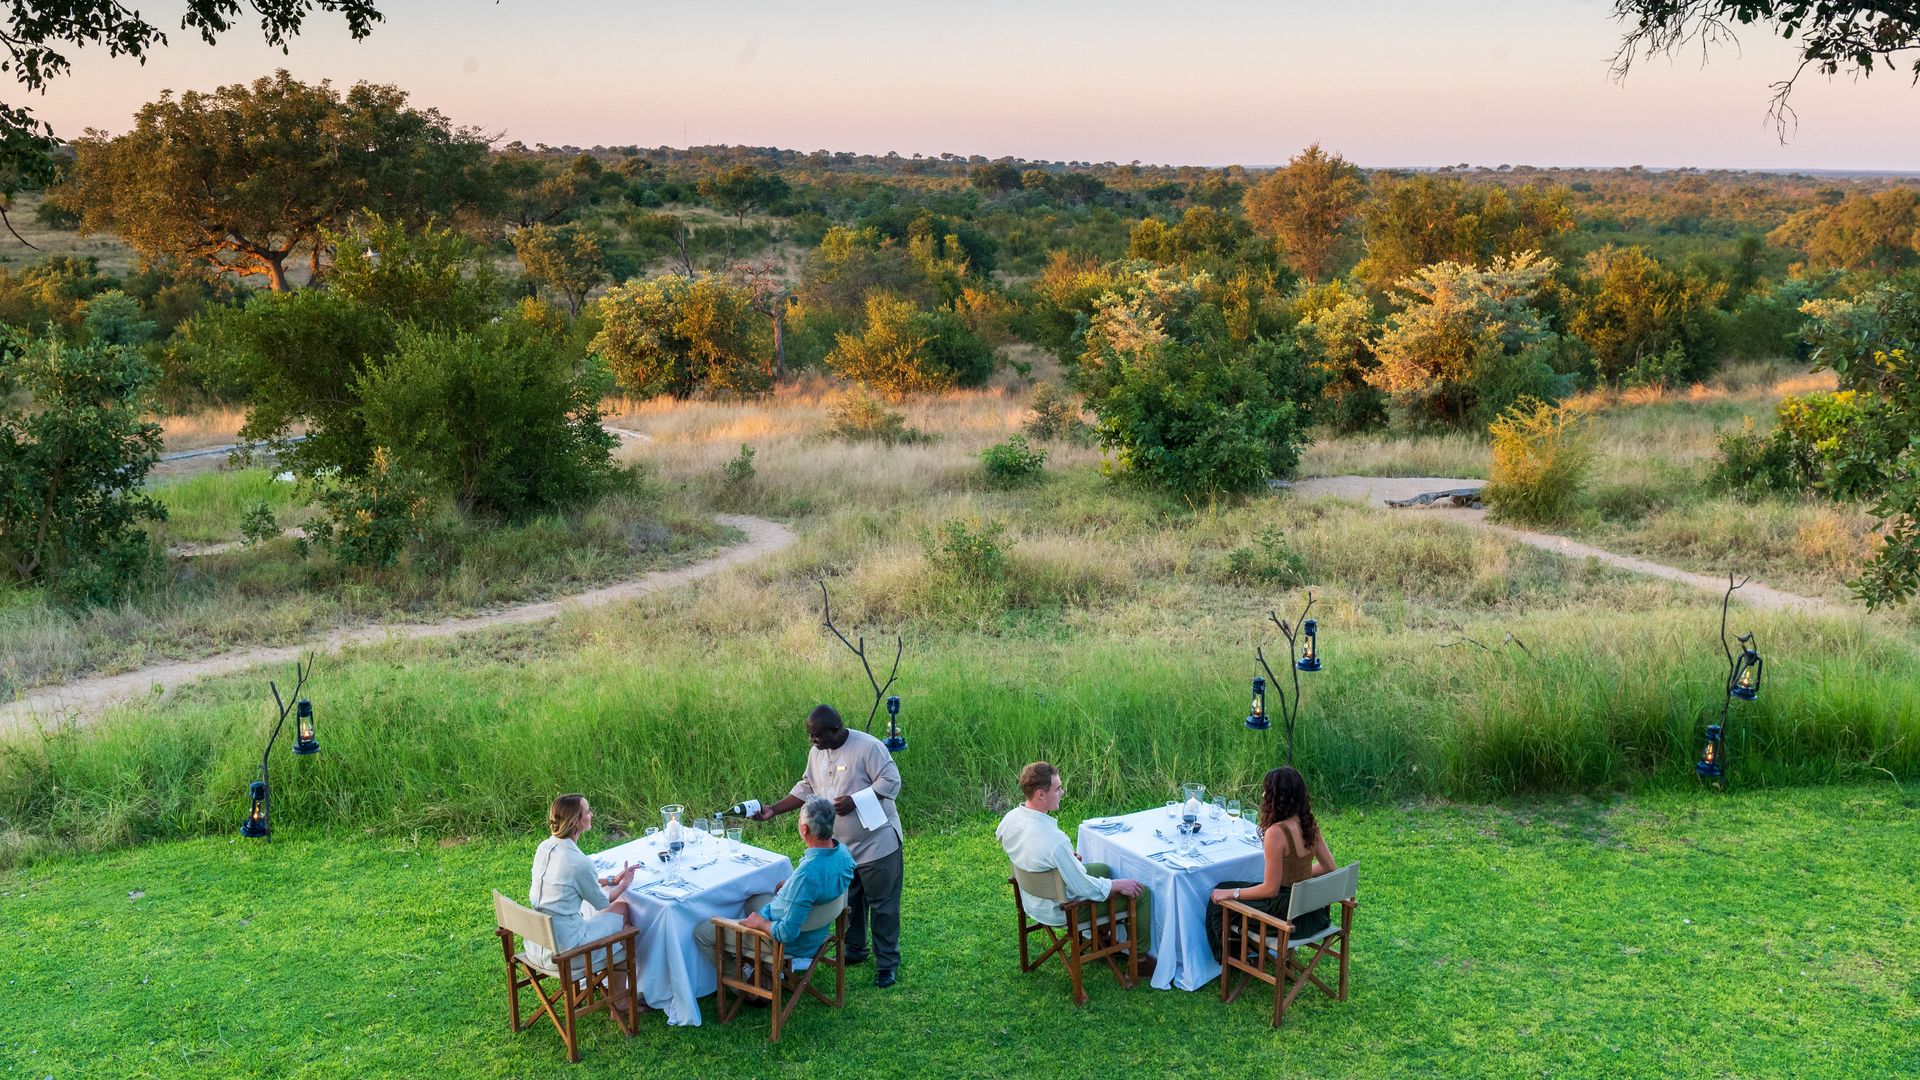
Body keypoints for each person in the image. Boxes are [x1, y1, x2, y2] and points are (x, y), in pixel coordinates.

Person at [752, 704, 904, 987]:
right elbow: (807, 786)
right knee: (851, 900)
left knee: (883, 906)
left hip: (877, 844)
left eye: (817, 736)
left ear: (835, 730)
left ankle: (887, 964)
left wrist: (855, 799)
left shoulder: (869, 748)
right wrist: (774, 809)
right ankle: (855, 949)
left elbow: (892, 781)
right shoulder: (817, 753)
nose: (813, 741)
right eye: (810, 736)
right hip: (841, 849)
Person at [996, 761, 1152, 971]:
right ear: (1041, 794)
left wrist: (1061, 861)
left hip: (1031, 900)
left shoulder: (1009, 820)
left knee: (1103, 870)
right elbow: (1084, 888)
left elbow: (1025, 849)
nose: (1062, 792)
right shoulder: (1054, 840)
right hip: (1061, 910)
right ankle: (1140, 960)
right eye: (1058, 788)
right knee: (1141, 892)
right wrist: (1117, 885)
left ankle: (1098, 939)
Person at [696, 795, 856, 978]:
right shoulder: (843, 853)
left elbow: (786, 933)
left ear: (804, 829)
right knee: (754, 900)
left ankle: (748, 986)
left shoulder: (806, 876)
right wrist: (790, 884)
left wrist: (760, 922)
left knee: (703, 932)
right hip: (816, 932)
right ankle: (768, 970)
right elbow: (821, 883)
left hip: (788, 943)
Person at [1204, 766, 1336, 960]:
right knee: (1226, 888)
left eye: (1266, 790)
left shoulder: (1276, 833)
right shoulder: (1309, 824)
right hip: (1311, 912)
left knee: (1219, 899)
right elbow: (1329, 867)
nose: (1263, 794)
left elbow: (1270, 890)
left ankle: (1229, 960)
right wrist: (1299, 875)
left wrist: (1232, 894)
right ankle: (1245, 951)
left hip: (1287, 915)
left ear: (1275, 797)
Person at [528, 794, 644, 1013]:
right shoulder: (579, 862)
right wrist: (625, 884)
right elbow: (602, 902)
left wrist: (612, 880)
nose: (592, 814)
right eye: (588, 811)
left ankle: (605, 987)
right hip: (565, 952)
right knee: (623, 914)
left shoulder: (544, 848)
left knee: (613, 919)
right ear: (576, 822)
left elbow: (571, 882)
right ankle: (619, 1000)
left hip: (537, 945)